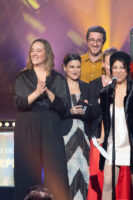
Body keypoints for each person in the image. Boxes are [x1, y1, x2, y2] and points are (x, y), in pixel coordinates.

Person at [14, 38, 70, 200]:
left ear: (47, 54)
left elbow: (63, 106)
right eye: (32, 50)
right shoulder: (22, 77)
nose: (35, 53)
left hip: (50, 124)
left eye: (39, 50)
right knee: (27, 171)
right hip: (27, 123)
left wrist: (47, 92)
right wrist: (37, 93)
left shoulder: (58, 78)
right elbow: (19, 102)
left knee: (56, 170)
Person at [98, 51, 133, 200]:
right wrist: (102, 137)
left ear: (127, 69)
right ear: (110, 69)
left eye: (122, 68)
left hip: (132, 142)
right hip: (113, 142)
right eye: (115, 67)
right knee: (108, 185)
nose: (118, 71)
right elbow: (105, 118)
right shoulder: (106, 92)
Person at [60, 53, 101, 200]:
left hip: (83, 136)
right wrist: (69, 111)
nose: (75, 70)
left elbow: (95, 112)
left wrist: (88, 108)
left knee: (85, 174)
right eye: (72, 67)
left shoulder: (86, 86)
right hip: (65, 136)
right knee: (67, 174)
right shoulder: (59, 86)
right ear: (64, 68)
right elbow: (52, 112)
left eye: (78, 66)